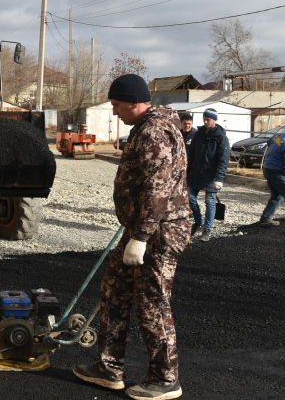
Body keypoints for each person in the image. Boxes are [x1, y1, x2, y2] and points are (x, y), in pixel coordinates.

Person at [73, 74, 190, 400]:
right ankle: (109, 369)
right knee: (114, 291)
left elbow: (159, 188)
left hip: (159, 232)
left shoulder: (154, 132)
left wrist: (140, 236)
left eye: (117, 105)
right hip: (143, 228)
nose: (114, 113)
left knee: (152, 303)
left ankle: (166, 379)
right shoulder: (149, 127)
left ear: (134, 102)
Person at [186, 108, 230, 242]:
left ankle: (207, 229)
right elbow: (192, 153)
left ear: (214, 120)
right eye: (204, 119)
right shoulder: (199, 134)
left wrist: (219, 178)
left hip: (211, 175)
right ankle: (198, 221)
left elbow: (223, 159)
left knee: (210, 202)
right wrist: (188, 171)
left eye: (208, 119)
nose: (205, 122)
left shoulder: (221, 137)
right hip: (196, 172)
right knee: (189, 197)